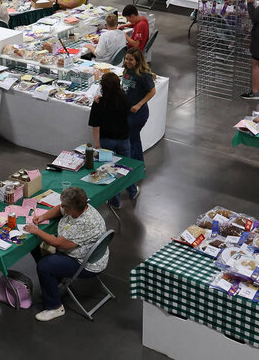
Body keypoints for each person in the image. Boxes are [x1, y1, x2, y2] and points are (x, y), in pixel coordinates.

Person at [24, 186, 109, 322]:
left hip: (85, 264)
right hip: (86, 255)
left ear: (73, 209)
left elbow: (59, 243)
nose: (62, 207)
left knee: (44, 266)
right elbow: (59, 208)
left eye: (65, 206)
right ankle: (55, 281)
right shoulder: (80, 208)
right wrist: (42, 217)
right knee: (37, 247)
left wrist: (37, 231)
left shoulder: (85, 223)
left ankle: (54, 307)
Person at [110, 47, 155, 207]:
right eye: (126, 59)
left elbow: (152, 91)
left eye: (131, 60)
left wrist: (139, 104)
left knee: (129, 138)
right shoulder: (126, 71)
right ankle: (138, 166)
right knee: (134, 138)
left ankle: (131, 168)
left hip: (138, 113)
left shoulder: (144, 75)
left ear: (138, 61)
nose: (128, 62)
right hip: (127, 111)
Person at [89, 72, 131, 157]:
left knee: (106, 166)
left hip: (106, 139)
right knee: (125, 165)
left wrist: (97, 145)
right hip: (123, 138)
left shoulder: (98, 103)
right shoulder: (125, 98)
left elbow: (95, 126)